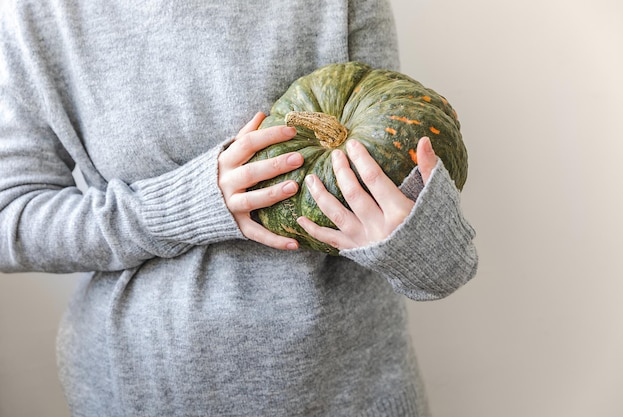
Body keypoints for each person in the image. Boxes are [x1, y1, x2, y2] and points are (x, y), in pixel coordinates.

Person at [0, 1, 478, 416]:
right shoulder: (37, 13)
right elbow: (11, 217)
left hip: (345, 392)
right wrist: (182, 205)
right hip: (142, 392)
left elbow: (436, 256)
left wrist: (414, 239)